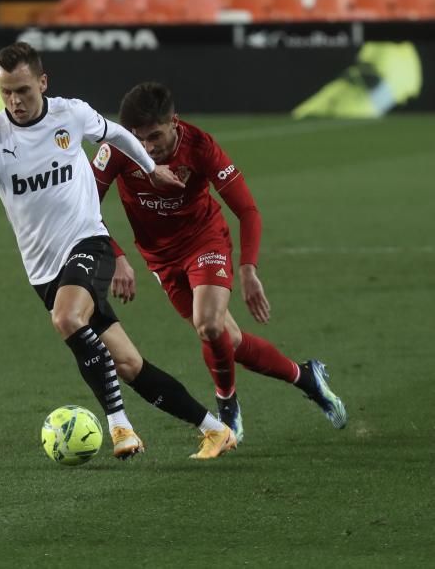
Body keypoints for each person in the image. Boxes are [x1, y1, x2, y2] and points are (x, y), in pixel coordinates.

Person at [0, 43, 236, 461]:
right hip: (44, 271)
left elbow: (114, 133)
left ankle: (120, 427)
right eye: (5, 92)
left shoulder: (70, 114)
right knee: (130, 365)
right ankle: (214, 429)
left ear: (42, 83)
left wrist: (152, 170)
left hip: (88, 242)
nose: (14, 101)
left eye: (22, 90)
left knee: (67, 317)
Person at [91, 81, 348, 441]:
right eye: (138, 138)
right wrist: (117, 257)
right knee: (230, 339)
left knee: (209, 325)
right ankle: (307, 377)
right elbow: (83, 207)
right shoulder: (118, 148)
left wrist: (248, 268)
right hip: (161, 260)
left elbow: (248, 210)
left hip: (204, 242)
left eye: (154, 137)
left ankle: (227, 406)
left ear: (174, 122)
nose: (145, 147)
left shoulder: (200, 146)